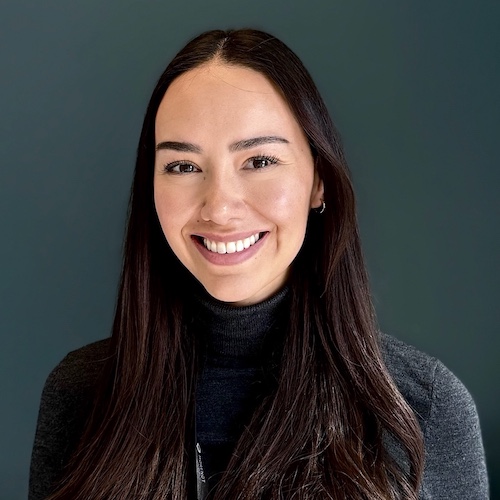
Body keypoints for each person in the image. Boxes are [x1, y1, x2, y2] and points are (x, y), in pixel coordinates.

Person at [29, 29, 488, 499]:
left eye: (260, 161)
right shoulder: (80, 396)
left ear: (319, 180)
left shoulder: (422, 409)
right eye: (183, 167)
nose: (219, 208)